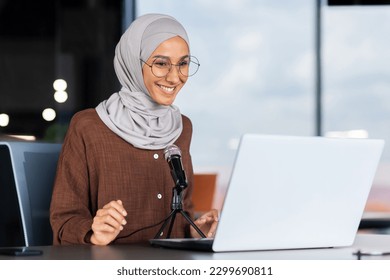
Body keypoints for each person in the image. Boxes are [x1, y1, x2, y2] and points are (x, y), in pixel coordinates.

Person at [49, 13, 218, 246]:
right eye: (160, 63)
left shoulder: (182, 128)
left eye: (183, 63)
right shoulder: (89, 126)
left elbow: (181, 210)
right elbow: (64, 220)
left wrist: (196, 227)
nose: (174, 77)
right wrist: (93, 232)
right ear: (133, 62)